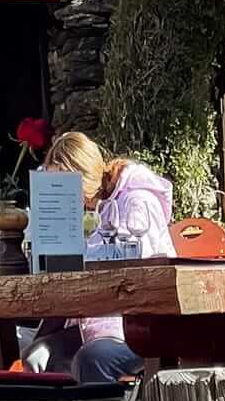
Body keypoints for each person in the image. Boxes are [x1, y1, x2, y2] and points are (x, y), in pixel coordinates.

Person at [25, 132, 172, 387]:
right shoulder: (101, 208)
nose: (67, 198)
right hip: (99, 323)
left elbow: (140, 273)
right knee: (36, 356)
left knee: (90, 360)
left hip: (141, 326)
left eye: (66, 186)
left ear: (82, 175)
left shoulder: (138, 201)